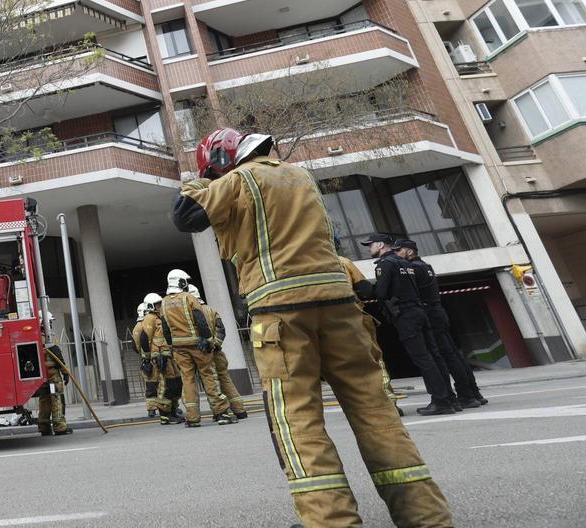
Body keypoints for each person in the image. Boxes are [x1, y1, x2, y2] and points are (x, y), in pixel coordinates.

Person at [172, 127, 453, 528]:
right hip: (340, 310)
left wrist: (202, 180)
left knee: (299, 421)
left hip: (282, 315)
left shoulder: (239, 179)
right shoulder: (300, 176)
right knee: (376, 414)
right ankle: (427, 518)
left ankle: (331, 522)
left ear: (221, 159)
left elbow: (184, 216)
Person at [368, 236, 457, 416]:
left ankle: (440, 401)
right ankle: (449, 398)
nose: (368, 248)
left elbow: (381, 292)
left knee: (423, 359)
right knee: (434, 356)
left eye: (370, 245)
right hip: (420, 312)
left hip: (406, 315)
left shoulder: (385, 264)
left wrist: (366, 290)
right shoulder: (405, 263)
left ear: (380, 245)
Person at [396, 239, 487, 409]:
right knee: (454, 355)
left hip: (430, 312)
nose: (396, 254)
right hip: (437, 311)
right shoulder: (425, 266)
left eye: (399, 250)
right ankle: (472, 393)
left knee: (447, 356)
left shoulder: (414, 268)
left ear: (409, 251)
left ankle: (466, 396)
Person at [160, 269, 238, 427]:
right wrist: (208, 340)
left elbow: (165, 327)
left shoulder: (163, 302)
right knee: (209, 376)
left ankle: (192, 418)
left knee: (187, 380)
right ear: (181, 282)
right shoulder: (188, 298)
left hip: (179, 348)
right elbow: (200, 319)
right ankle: (221, 413)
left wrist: (172, 345)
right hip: (198, 346)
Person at [337, 248, 403, 416]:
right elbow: (366, 290)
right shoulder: (343, 262)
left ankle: (361, 406)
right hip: (353, 316)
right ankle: (388, 402)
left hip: (327, 323)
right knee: (374, 358)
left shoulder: (304, 263)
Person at [189, 284, 248, 420]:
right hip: (217, 352)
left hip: (203, 353)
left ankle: (219, 412)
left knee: (209, 382)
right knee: (225, 379)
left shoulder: (192, 312)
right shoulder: (211, 310)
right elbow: (221, 330)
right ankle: (240, 410)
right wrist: (215, 344)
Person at [140, 292, 184, 425]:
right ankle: (165, 415)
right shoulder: (150, 318)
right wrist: (147, 359)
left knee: (176, 384)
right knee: (166, 386)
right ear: (151, 306)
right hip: (159, 358)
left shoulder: (161, 317)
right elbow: (144, 338)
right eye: (157, 304)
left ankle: (173, 411)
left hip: (168, 357)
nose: (160, 306)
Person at [37, 313, 71, 437]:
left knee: (44, 401)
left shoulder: (35, 337)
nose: (50, 324)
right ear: (43, 322)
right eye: (49, 322)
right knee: (56, 399)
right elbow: (58, 358)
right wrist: (65, 372)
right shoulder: (48, 339)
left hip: (42, 377)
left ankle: (44, 427)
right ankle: (59, 427)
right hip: (52, 376)